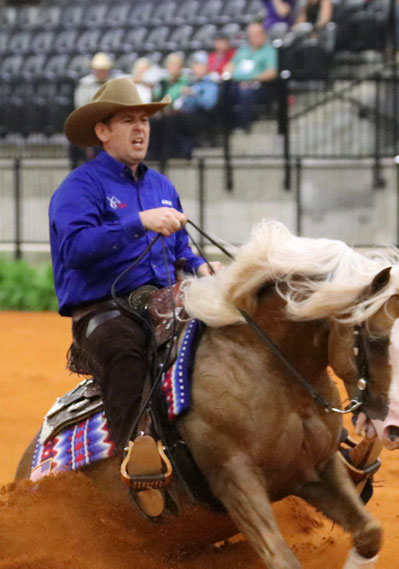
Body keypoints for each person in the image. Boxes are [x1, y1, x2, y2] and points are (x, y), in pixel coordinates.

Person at [49, 77, 219, 498]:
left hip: (164, 301)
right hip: (103, 310)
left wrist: (202, 267)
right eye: (128, 120)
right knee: (125, 350)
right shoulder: (79, 188)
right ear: (103, 131)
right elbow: (73, 249)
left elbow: (182, 250)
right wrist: (136, 222)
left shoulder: (162, 186)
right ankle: (136, 457)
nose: (140, 129)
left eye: (144, 120)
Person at [226, 21, 278, 129]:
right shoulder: (242, 50)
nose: (253, 37)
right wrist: (230, 74)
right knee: (223, 91)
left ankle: (243, 125)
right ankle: (225, 125)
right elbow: (230, 65)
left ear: (263, 35)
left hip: (258, 85)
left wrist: (251, 79)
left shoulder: (269, 50)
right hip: (237, 82)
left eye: (257, 34)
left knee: (246, 92)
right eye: (251, 34)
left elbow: (271, 72)